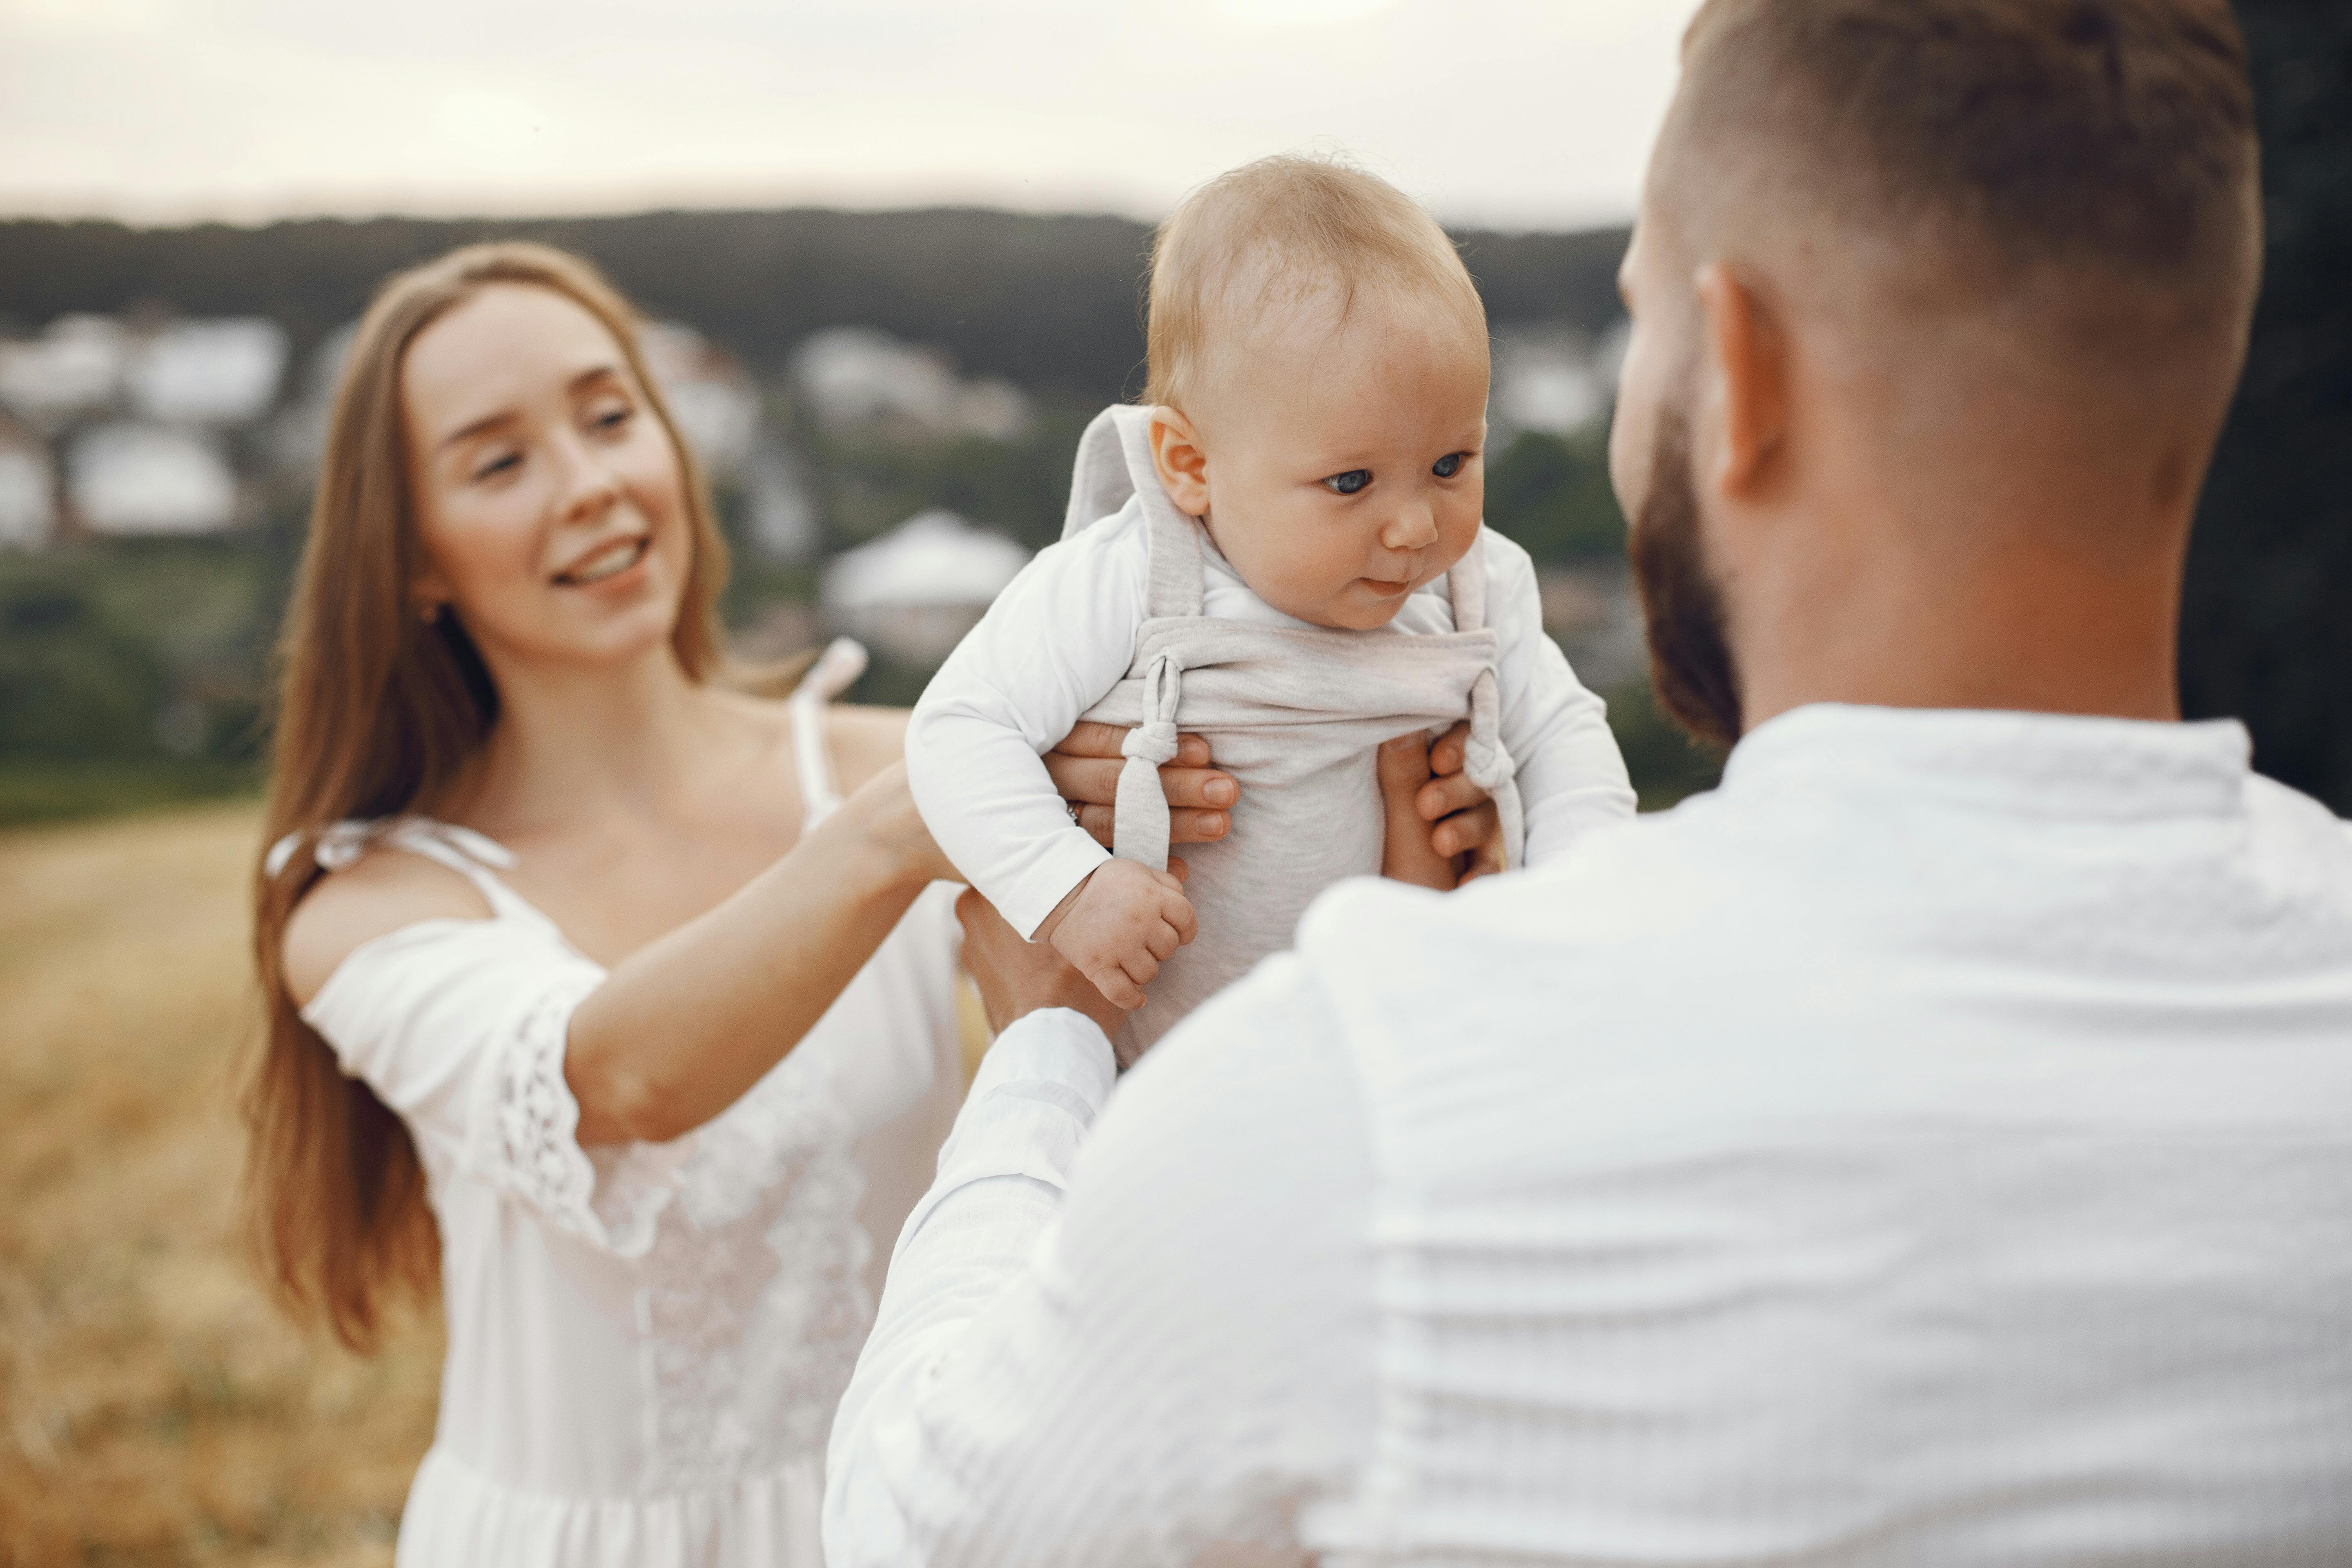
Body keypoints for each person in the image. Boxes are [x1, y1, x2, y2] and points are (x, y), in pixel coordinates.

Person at [825, 2, 2352, 1562]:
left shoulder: (1367, 1109)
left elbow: (909, 1526)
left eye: (1642, 325)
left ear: (1740, 371)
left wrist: (1045, 1043)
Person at [243, 241, 1410, 1566]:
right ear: (414, 560)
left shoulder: (906, 760)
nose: (590, 483)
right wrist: (901, 828)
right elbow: (609, 1085)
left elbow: (1210, 1000)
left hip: (903, 1518)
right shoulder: (366, 899)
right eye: (499, 462)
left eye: (610, 416)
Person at [906, 158, 1636, 1056]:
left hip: (1402, 1044)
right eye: (1351, 481)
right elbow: (959, 728)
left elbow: (1566, 742)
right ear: (1190, 467)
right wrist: (1069, 888)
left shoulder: (1477, 586)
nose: (1413, 526)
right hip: (1168, 1056)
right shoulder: (1133, 575)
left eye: (1451, 464)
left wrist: (1578, 899)